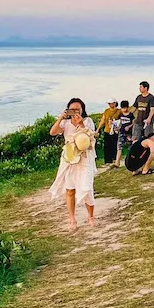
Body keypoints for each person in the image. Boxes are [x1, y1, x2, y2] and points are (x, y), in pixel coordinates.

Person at [49, 98, 97, 230]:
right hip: (70, 158)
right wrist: (60, 118)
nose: (75, 111)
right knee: (69, 190)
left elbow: (90, 136)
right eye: (73, 109)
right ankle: (72, 219)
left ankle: (90, 216)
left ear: (82, 109)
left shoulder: (87, 121)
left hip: (84, 158)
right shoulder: (65, 123)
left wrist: (80, 124)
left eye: (78, 109)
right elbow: (52, 132)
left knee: (86, 188)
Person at [97, 99, 121, 166]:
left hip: (115, 131)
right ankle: (107, 161)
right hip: (107, 130)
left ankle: (114, 159)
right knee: (107, 146)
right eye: (109, 103)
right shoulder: (106, 111)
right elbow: (103, 120)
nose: (110, 105)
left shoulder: (119, 111)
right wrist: (98, 128)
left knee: (114, 145)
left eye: (111, 103)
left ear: (114, 103)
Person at [113, 100, 134, 168]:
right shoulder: (120, 115)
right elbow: (118, 123)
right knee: (119, 147)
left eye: (125, 108)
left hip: (129, 134)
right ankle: (117, 162)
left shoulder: (131, 115)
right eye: (122, 108)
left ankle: (129, 161)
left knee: (130, 148)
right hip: (121, 133)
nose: (124, 110)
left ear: (127, 107)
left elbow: (134, 122)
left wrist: (129, 126)